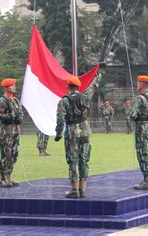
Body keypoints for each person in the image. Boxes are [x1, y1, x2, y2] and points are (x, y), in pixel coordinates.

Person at [55, 67, 103, 198]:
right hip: (85, 130)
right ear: (78, 86)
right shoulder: (85, 97)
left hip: (72, 131)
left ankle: (74, 189)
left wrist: (59, 133)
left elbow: (60, 118)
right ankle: (83, 189)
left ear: (68, 86)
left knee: (73, 159)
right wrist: (100, 72)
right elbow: (94, 85)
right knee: (84, 159)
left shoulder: (64, 100)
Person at [0, 78, 24, 187]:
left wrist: (19, 118)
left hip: (15, 131)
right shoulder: (3, 100)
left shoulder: (16, 100)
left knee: (14, 154)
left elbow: (20, 113)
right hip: (6, 132)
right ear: (7, 87)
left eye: (14, 85)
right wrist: (10, 117)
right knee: (5, 154)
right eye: (12, 85)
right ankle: (3, 178)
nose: (14, 87)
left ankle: (9, 176)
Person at [130, 75, 148, 190]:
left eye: (138, 83)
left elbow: (133, 114)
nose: (137, 85)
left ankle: (147, 181)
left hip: (141, 128)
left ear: (141, 84)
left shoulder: (139, 98)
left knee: (142, 153)